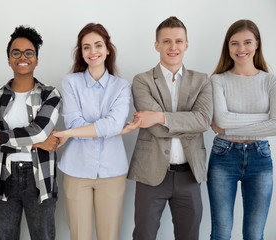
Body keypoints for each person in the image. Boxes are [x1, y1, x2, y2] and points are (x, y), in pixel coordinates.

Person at [127, 16, 213, 240]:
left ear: (186, 44)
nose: (173, 47)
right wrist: (187, 121)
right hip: (150, 174)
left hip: (189, 174)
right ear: (157, 45)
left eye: (178, 41)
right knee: (144, 235)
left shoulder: (202, 80)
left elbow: (203, 121)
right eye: (166, 41)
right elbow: (153, 128)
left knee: (189, 236)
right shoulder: (142, 80)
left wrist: (158, 116)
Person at [54, 23, 140, 240]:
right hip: (76, 171)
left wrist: (67, 135)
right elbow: (74, 122)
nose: (93, 52)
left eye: (98, 45)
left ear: (108, 49)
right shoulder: (70, 82)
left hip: (112, 172)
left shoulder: (121, 86)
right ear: (81, 53)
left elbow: (112, 124)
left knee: (109, 236)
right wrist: (115, 130)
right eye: (86, 47)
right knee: (79, 236)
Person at [0, 26, 61, 240]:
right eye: (16, 52)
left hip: (40, 178)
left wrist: (3, 136)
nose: (22, 57)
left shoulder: (50, 94)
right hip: (2, 177)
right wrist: (36, 144)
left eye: (28, 53)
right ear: (8, 59)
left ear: (36, 59)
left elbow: (39, 131)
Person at [207, 19, 275, 240]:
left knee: (255, 235)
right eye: (234, 43)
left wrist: (226, 129)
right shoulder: (217, 80)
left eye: (247, 42)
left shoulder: (270, 81)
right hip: (223, 156)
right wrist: (265, 118)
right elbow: (221, 118)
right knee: (221, 233)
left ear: (257, 44)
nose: (241, 49)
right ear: (228, 47)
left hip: (260, 157)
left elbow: (225, 124)